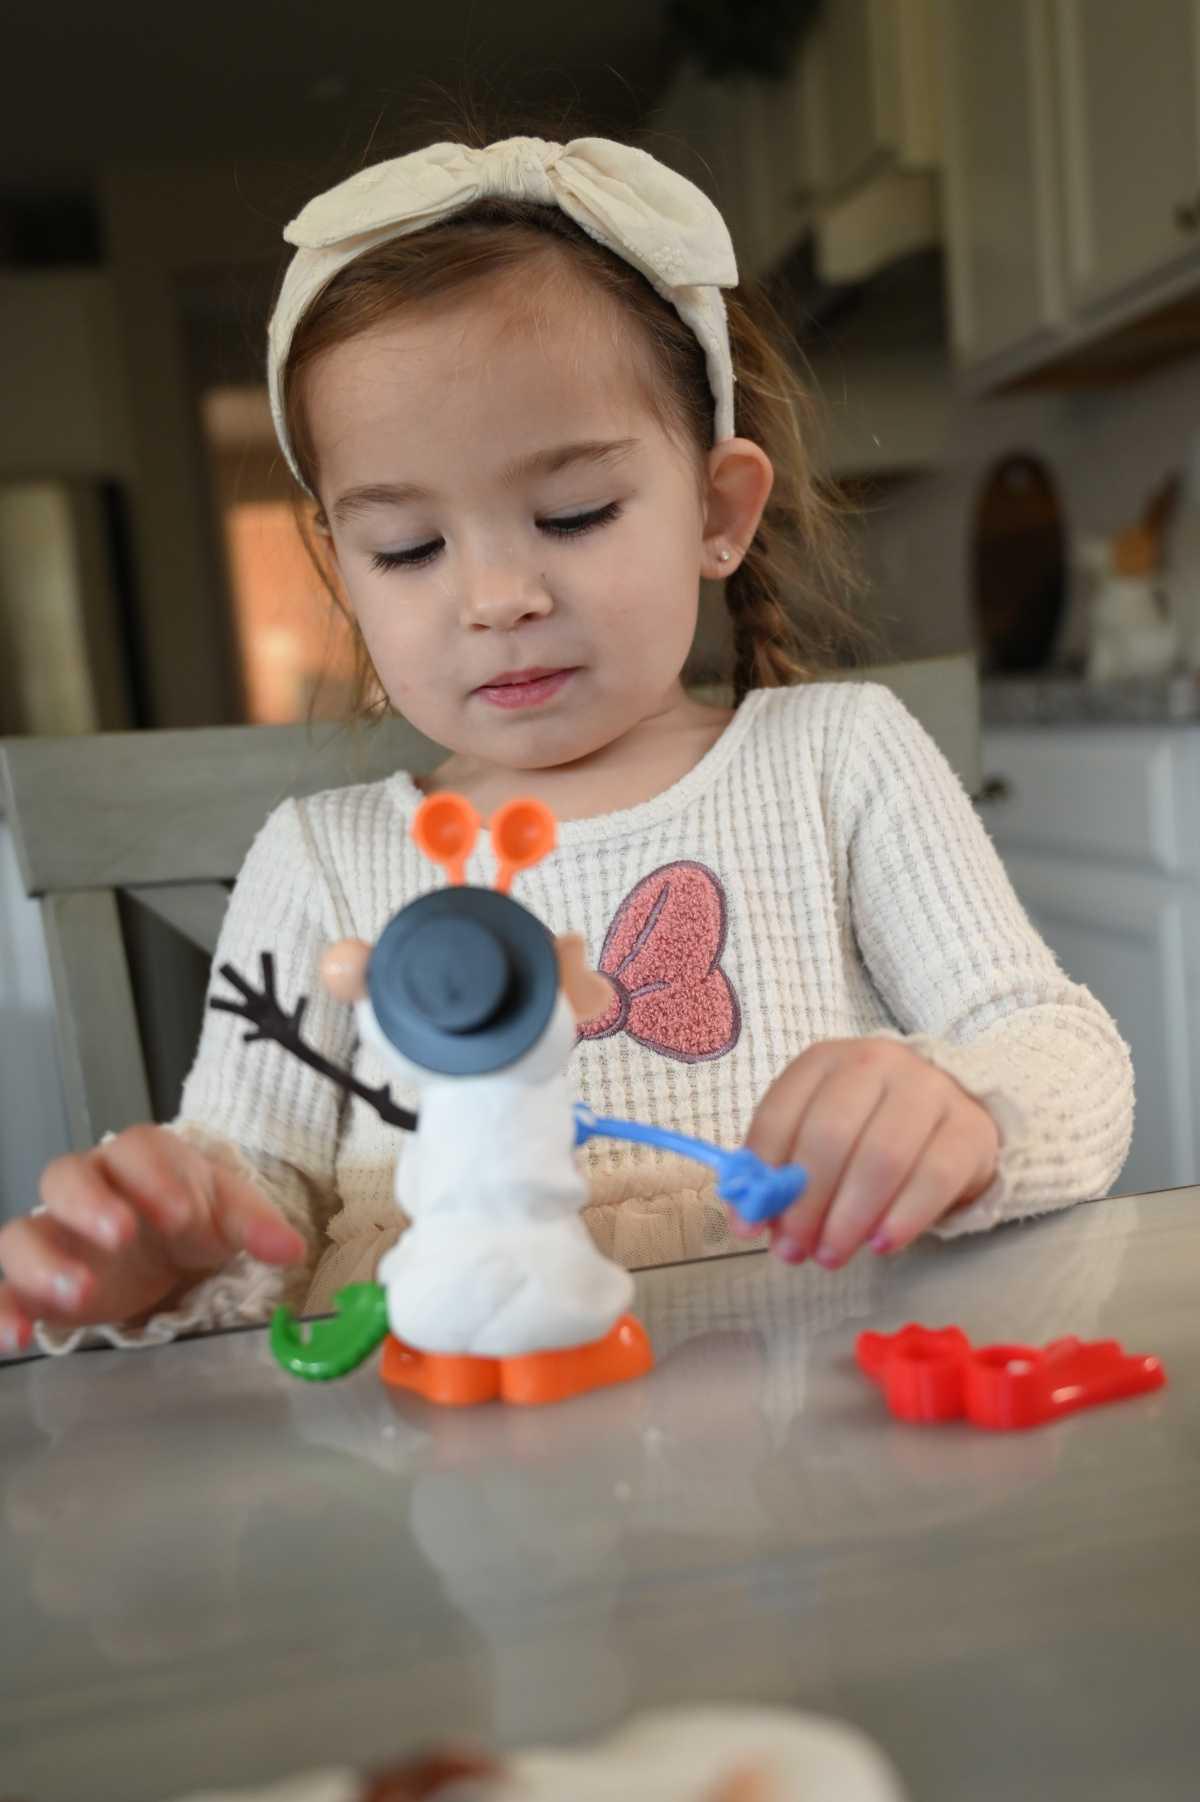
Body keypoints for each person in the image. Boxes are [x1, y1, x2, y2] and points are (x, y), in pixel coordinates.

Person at [0, 129, 1133, 1358]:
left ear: (718, 508)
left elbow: (1058, 1049)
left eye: (573, 513)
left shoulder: (837, 762)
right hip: (438, 1480)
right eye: (410, 549)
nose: (496, 596)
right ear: (340, 568)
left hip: (801, 1479)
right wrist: (174, 1245)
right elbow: (256, 1180)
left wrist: (968, 1109)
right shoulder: (317, 862)